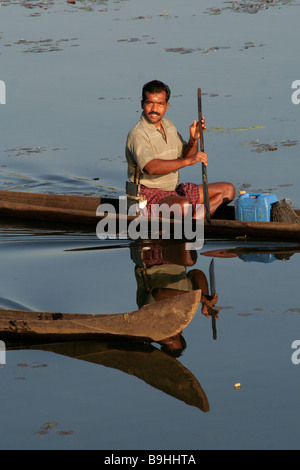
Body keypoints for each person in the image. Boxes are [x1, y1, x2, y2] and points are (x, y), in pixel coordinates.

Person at [125, 79, 235, 218]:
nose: (154, 109)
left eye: (160, 104)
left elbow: (185, 155)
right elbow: (151, 167)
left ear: (167, 106)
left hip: (174, 191)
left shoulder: (168, 126)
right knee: (183, 206)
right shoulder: (138, 133)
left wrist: (193, 140)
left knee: (228, 190)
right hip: (148, 196)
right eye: (150, 103)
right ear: (142, 104)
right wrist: (189, 161)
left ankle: (194, 221)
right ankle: (193, 222)